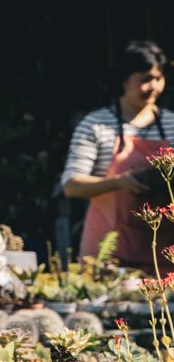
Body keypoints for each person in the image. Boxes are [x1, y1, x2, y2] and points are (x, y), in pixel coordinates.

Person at [61, 39, 170, 266]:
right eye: (144, 79)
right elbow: (71, 185)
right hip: (107, 253)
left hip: (164, 253)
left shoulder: (171, 124)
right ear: (123, 80)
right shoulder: (96, 125)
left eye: (158, 79)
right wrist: (119, 182)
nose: (154, 87)